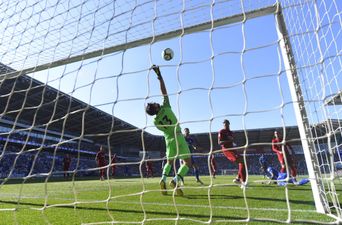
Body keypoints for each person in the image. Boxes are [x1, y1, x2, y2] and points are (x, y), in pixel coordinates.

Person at [145, 65, 192, 196]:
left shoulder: (155, 122)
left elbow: (164, 130)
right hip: (178, 136)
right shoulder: (166, 106)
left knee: (169, 162)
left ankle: (163, 179)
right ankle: (175, 180)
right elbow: (163, 90)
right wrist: (159, 76)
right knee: (188, 162)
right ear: (155, 107)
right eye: (154, 103)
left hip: (168, 140)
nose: (156, 102)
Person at [218, 119, 246, 188]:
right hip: (226, 149)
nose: (225, 125)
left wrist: (234, 144)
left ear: (229, 124)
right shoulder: (222, 131)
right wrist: (229, 140)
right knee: (241, 161)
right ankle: (243, 182)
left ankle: (238, 179)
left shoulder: (231, 132)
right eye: (224, 124)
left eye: (226, 124)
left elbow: (231, 142)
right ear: (223, 125)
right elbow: (219, 143)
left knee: (243, 161)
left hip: (232, 149)